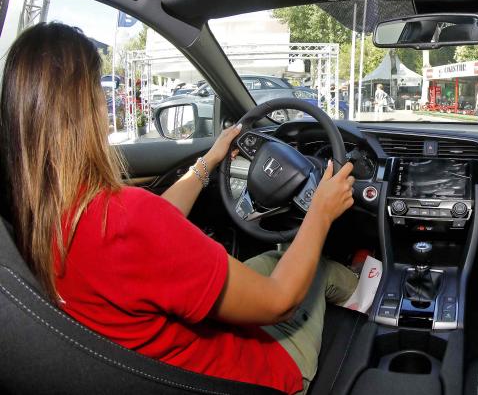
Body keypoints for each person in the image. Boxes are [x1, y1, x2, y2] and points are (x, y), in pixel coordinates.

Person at [0, 23, 358, 394]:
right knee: (318, 266)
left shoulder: (38, 225)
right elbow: (280, 302)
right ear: (86, 109)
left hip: (172, 368)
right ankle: (369, 290)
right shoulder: (128, 218)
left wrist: (209, 161)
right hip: (261, 374)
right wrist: (321, 210)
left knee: (273, 259)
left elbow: (154, 223)